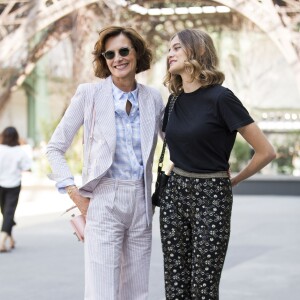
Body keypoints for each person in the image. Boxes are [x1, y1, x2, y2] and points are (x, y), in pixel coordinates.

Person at [46, 26, 164, 300]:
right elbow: (55, 148)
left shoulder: (153, 98)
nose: (117, 58)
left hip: (140, 199)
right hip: (103, 198)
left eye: (124, 51)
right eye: (109, 54)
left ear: (136, 53)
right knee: (102, 291)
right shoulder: (89, 94)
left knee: (137, 292)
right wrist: (75, 195)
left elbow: (178, 140)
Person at [159, 28, 276, 300]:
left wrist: (233, 180)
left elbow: (265, 151)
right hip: (175, 194)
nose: (170, 53)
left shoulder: (222, 98)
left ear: (198, 51)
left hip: (211, 195)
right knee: (175, 286)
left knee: (203, 287)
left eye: (177, 47)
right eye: (169, 48)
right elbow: (176, 148)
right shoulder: (174, 100)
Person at [0, 126, 32, 252]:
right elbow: (27, 167)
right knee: (8, 213)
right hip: (13, 185)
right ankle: (3, 240)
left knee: (6, 213)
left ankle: (7, 239)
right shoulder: (20, 152)